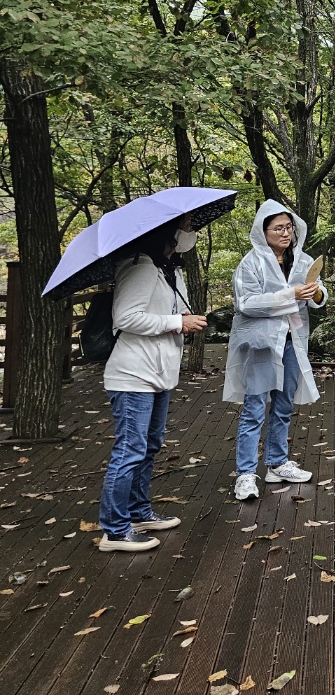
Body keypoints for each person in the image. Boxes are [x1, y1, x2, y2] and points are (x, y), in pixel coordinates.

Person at [99, 221, 207, 551]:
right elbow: (125, 318)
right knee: (130, 449)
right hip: (133, 374)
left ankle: (138, 512)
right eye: (184, 228)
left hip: (158, 373)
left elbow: (162, 313)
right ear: (166, 235)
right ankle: (115, 531)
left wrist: (182, 317)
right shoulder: (140, 268)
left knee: (149, 446)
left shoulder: (167, 269)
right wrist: (177, 322)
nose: (189, 233)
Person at [224, 201, 326, 502]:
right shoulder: (251, 263)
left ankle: (277, 463)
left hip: (293, 339)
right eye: (278, 228)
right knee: (255, 406)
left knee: (283, 404)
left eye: (288, 227)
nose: (285, 233)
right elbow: (246, 303)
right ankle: (245, 473)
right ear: (263, 232)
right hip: (261, 342)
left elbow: (318, 292)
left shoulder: (302, 260)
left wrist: (316, 292)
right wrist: (289, 295)